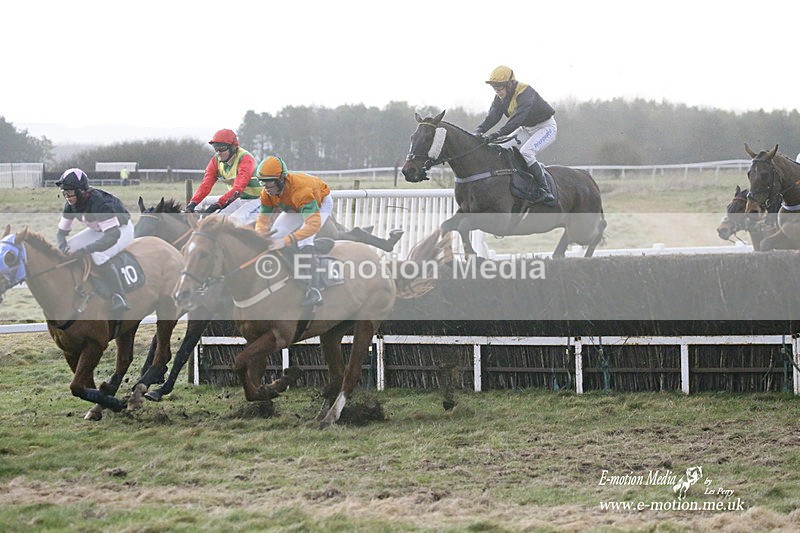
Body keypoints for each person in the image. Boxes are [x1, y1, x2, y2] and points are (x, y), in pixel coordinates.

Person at [254, 156, 333, 307]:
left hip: (320, 202)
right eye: (262, 181)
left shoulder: (301, 192)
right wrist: (260, 233)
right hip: (294, 206)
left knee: (304, 239)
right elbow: (262, 220)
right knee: (275, 235)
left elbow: (312, 226)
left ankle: (314, 290)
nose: (265, 186)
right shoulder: (267, 193)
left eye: (269, 181)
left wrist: (286, 241)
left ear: (281, 179)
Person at [473, 65, 557, 204]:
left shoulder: (525, 92)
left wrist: (497, 134)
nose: (497, 92)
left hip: (545, 128)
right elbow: (492, 117)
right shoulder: (500, 97)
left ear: (510, 84)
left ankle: (545, 189)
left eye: (500, 88)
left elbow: (517, 120)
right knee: (502, 149)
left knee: (526, 152)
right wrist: (479, 131)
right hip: (527, 129)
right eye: (495, 89)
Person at [55, 168, 133, 311]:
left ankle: (120, 296)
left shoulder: (99, 202)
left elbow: (112, 236)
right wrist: (62, 247)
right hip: (100, 229)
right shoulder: (70, 205)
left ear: (80, 190)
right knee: (70, 248)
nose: (67, 196)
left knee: (98, 255)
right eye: (64, 192)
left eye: (70, 192)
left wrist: (86, 250)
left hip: (121, 230)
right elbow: (61, 234)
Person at [184, 129, 262, 225]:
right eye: (216, 148)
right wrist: (192, 203)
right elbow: (206, 185)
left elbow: (238, 188)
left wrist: (217, 204)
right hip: (238, 199)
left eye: (222, 148)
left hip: (258, 199)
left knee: (235, 219)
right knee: (216, 220)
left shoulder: (246, 159)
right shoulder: (215, 161)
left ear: (233, 147)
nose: (218, 152)